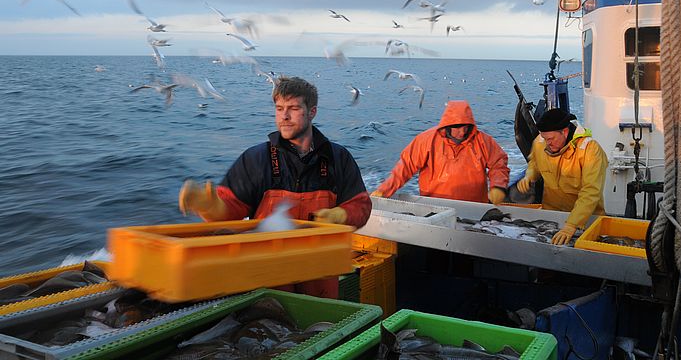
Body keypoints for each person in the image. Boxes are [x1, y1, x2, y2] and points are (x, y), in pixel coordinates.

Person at [179, 76, 372, 298]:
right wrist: (210, 207)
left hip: (321, 275)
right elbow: (230, 210)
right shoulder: (255, 159)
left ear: (312, 112)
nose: (284, 116)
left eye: (293, 108)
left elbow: (361, 206)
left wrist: (341, 215)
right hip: (268, 277)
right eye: (279, 109)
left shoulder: (338, 158)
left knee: (320, 325)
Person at [372, 100, 510, 204]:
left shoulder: (483, 141)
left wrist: (498, 186)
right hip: (435, 207)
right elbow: (405, 167)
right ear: (447, 124)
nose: (462, 132)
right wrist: (384, 190)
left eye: (465, 126)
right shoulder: (426, 140)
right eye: (456, 127)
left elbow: (498, 165)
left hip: (476, 207)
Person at [517, 108, 608, 245]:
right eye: (544, 138)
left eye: (551, 139)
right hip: (551, 219)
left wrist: (572, 225)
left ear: (565, 132)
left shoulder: (590, 150)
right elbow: (534, 163)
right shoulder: (540, 142)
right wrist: (529, 176)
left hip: (585, 221)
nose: (547, 143)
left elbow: (591, 191)